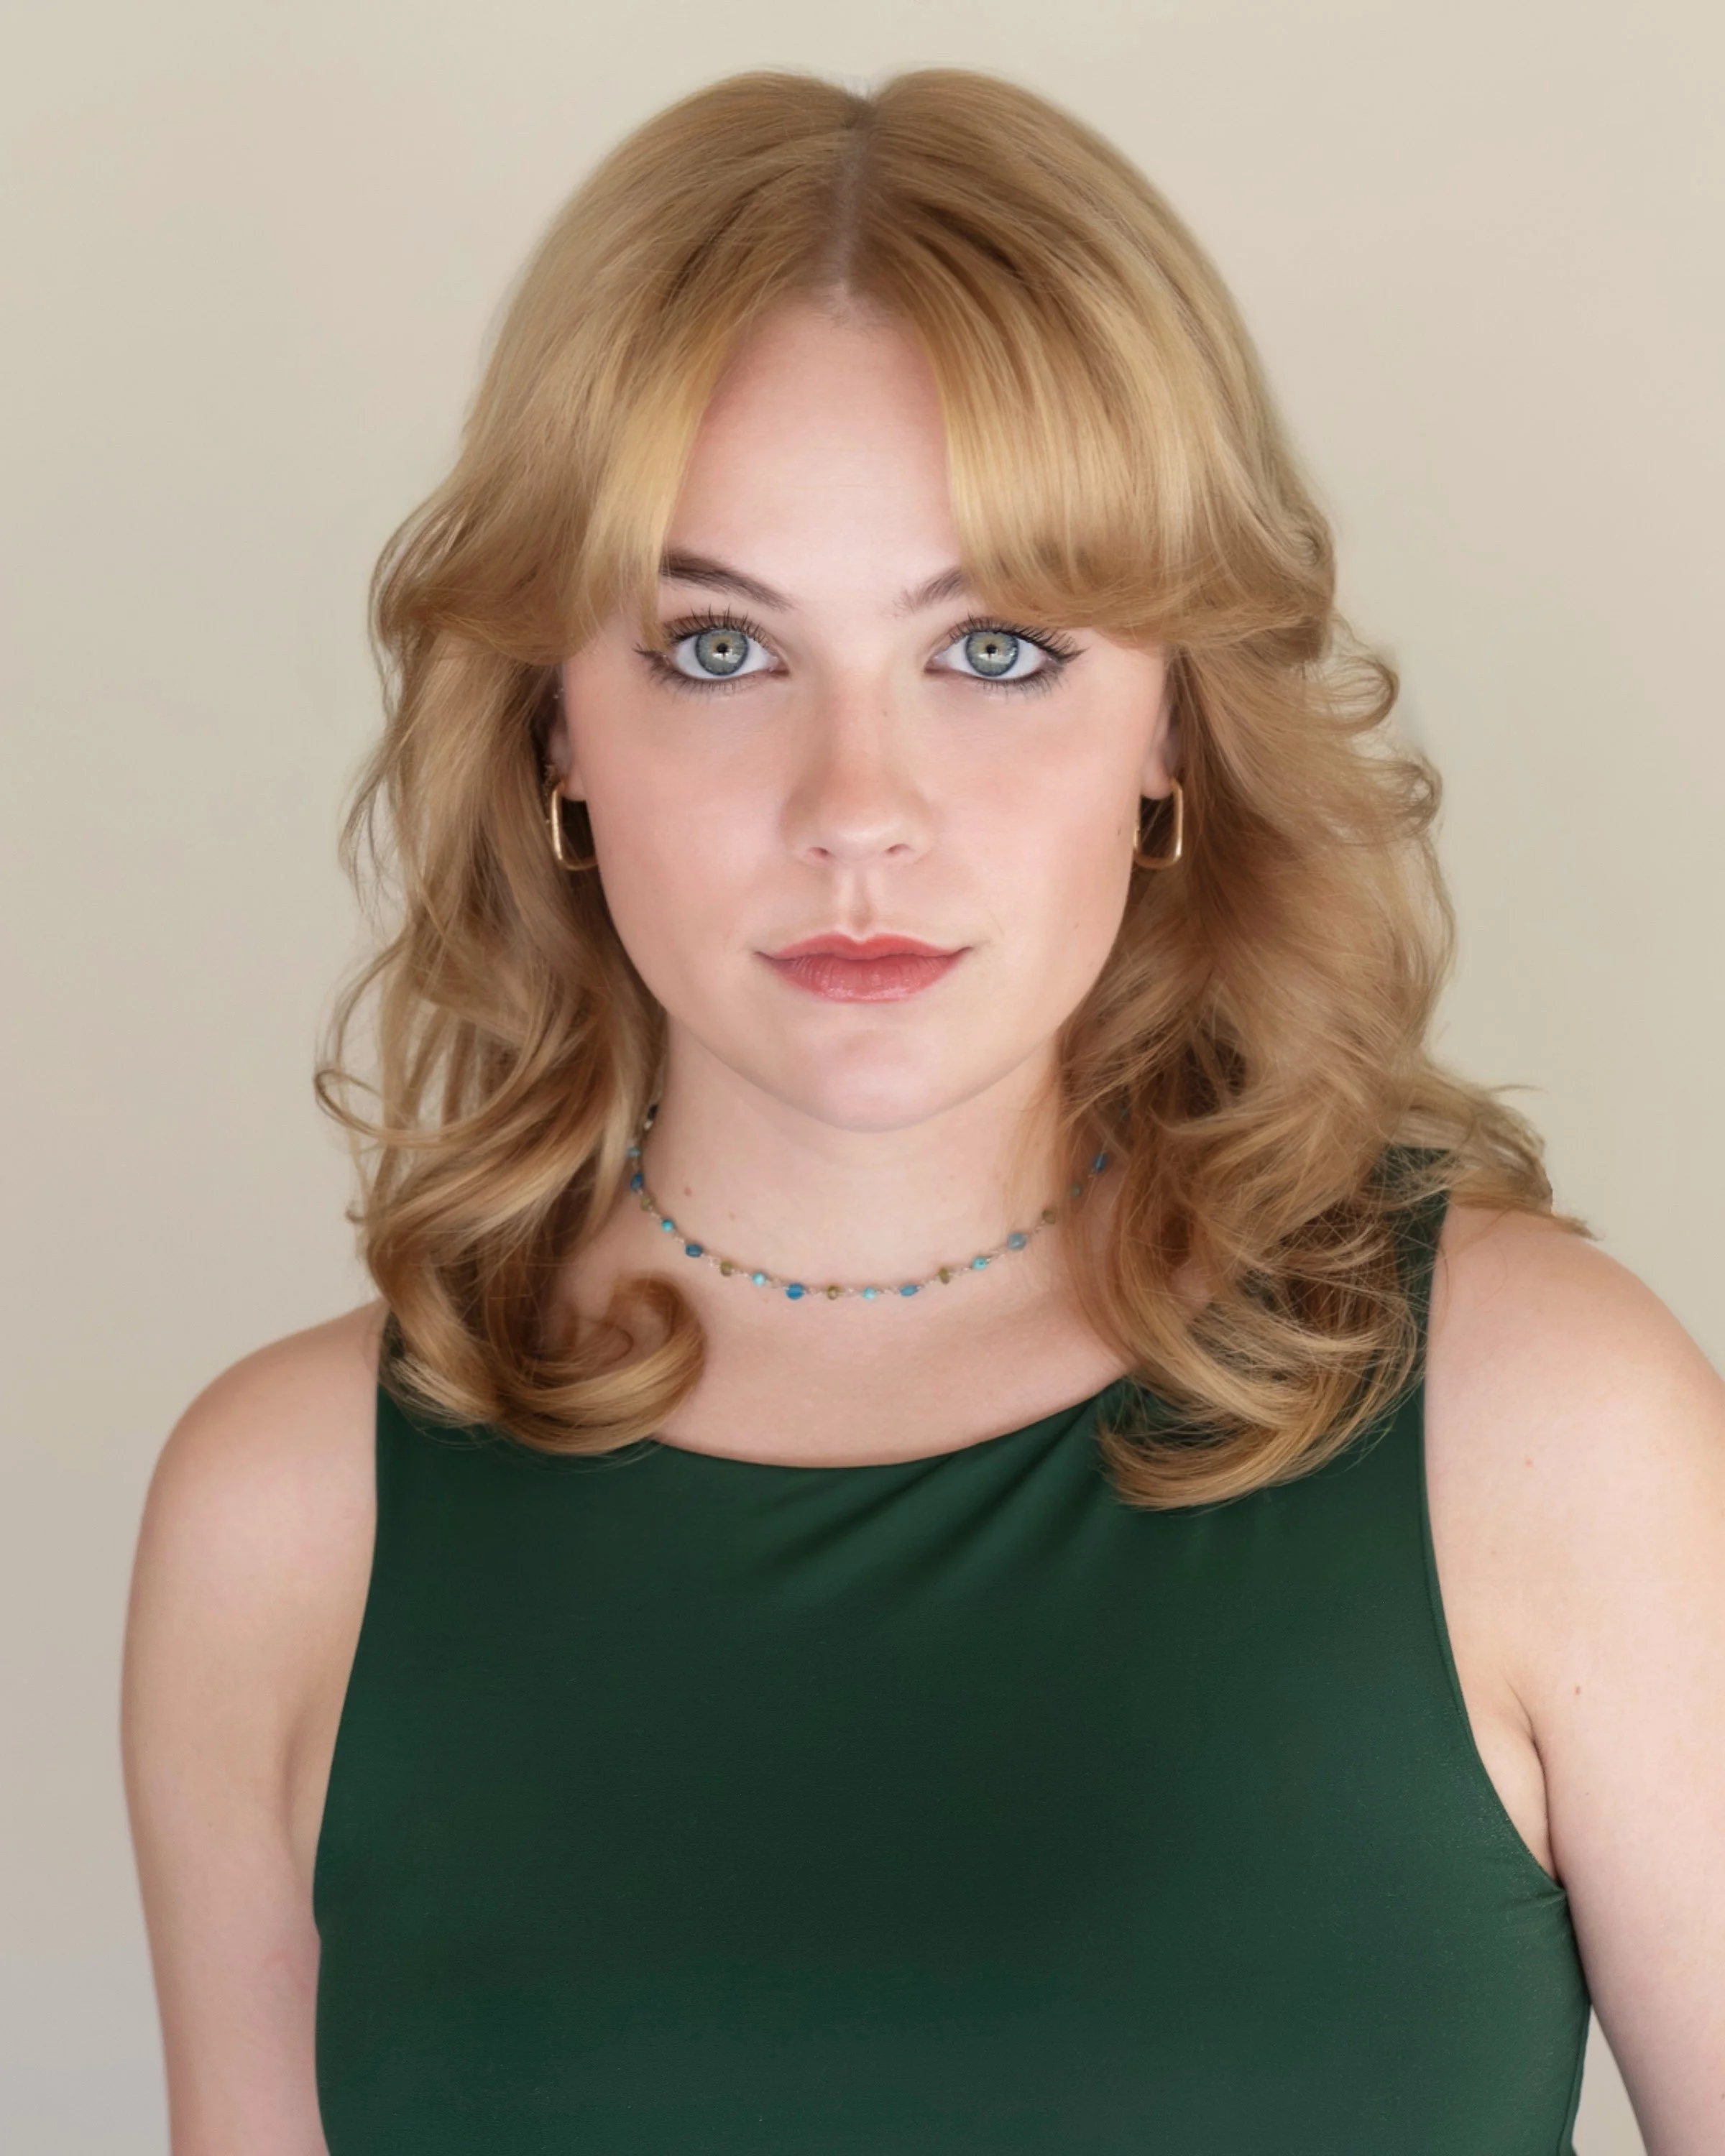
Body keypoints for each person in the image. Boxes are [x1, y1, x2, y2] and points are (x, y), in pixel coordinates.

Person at [120, 67, 1724, 2156]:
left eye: (995, 645)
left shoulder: (1544, 1430)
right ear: (552, 736)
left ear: (1171, 726)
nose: (855, 809)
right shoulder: (288, 1524)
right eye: (715, 647)